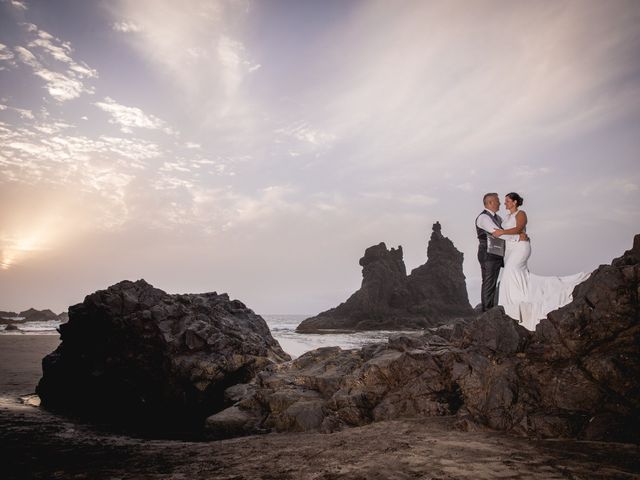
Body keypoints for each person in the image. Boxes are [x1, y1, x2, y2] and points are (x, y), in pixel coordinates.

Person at [492, 192, 590, 330]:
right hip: (510, 250)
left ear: (514, 202)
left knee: (510, 273)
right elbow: (508, 233)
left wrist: (502, 233)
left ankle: (516, 306)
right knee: (515, 277)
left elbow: (519, 228)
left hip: (521, 249)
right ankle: (516, 306)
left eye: (507, 201)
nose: (505, 203)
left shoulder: (521, 213)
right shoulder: (506, 217)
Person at [475, 193, 525, 312]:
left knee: (493, 282)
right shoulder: (483, 218)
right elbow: (497, 233)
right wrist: (518, 238)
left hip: (496, 255)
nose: (500, 203)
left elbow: (504, 231)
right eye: (497, 201)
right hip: (487, 254)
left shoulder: (498, 218)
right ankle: (487, 312)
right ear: (490, 202)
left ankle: (491, 308)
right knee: (488, 282)